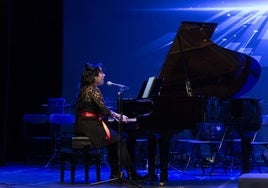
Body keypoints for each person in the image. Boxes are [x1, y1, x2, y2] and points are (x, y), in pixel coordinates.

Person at [74, 62, 144, 180]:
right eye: (101, 73)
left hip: (82, 125)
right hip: (90, 126)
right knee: (120, 140)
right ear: (95, 76)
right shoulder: (94, 90)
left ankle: (115, 173)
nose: (104, 75)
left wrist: (111, 115)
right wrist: (118, 115)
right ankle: (131, 173)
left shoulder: (84, 90)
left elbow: (96, 110)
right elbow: (104, 110)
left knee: (114, 141)